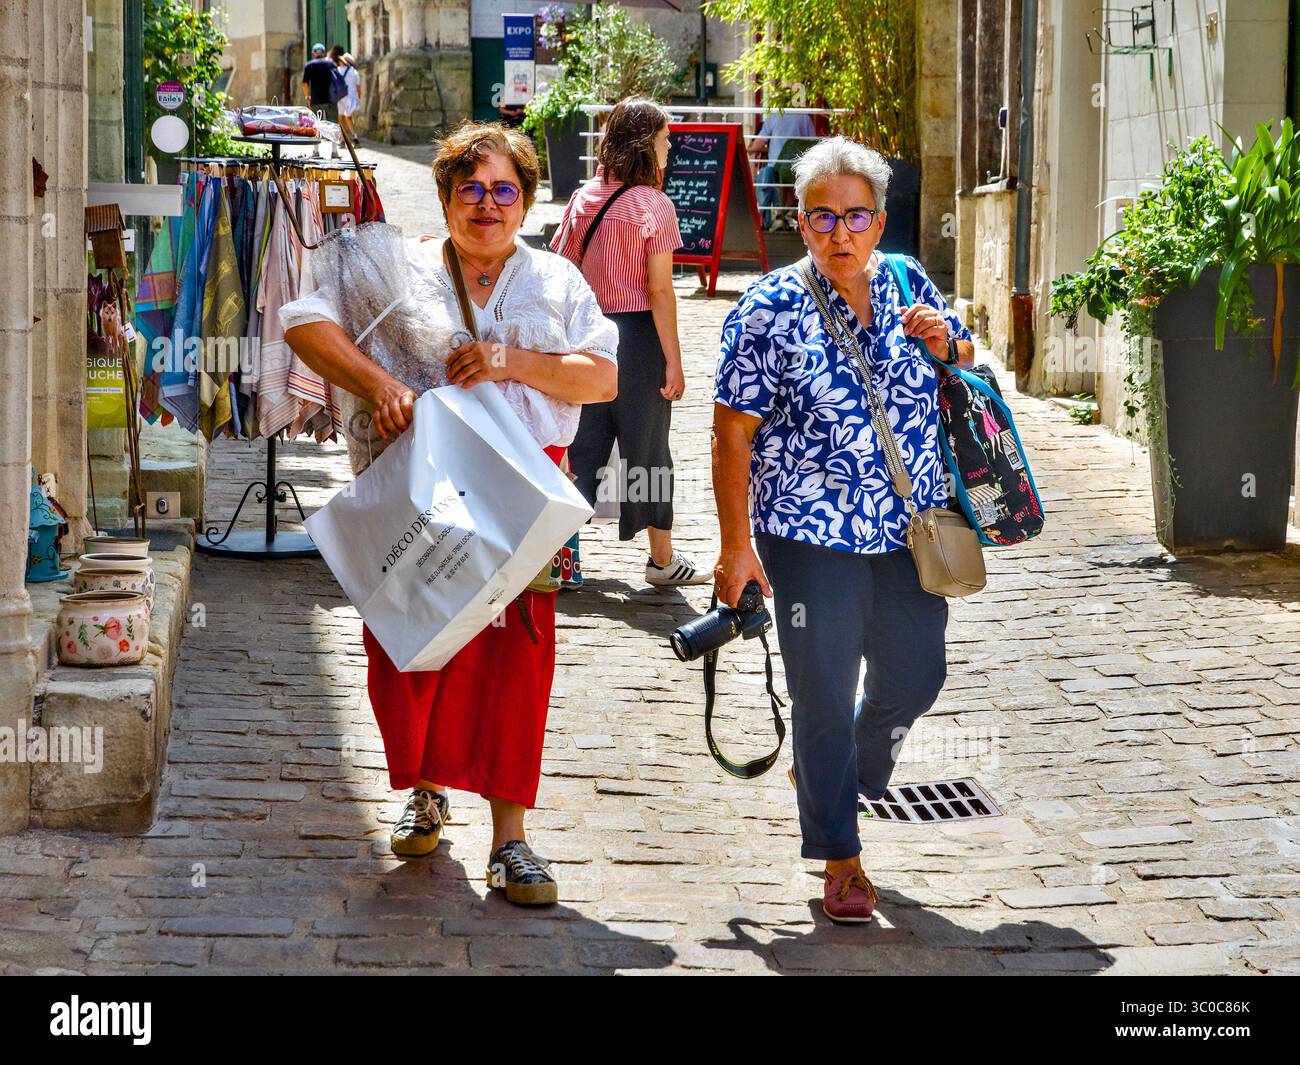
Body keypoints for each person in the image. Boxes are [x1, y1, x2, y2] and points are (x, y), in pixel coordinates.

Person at [281, 122, 618, 906]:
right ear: (444, 196)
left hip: (521, 498)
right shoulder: (395, 272)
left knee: (514, 665)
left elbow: (600, 378)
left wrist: (511, 360)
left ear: (528, 201)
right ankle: (426, 790)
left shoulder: (558, 283)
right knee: (412, 648)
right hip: (418, 497)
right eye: (470, 188)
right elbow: (302, 318)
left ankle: (511, 840)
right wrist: (379, 384)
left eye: (504, 190)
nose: (487, 204)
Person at [711, 136, 975, 924]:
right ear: (802, 221)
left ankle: (833, 773)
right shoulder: (769, 307)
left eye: (855, 215)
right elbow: (731, 435)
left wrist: (947, 344)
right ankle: (841, 855)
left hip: (908, 528)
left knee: (916, 673)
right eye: (822, 216)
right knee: (822, 690)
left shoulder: (906, 281)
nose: (839, 232)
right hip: (808, 531)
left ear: (880, 219)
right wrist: (736, 545)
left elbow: (964, 358)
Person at [552, 97, 709, 588]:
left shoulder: (584, 198)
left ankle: (559, 559)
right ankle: (661, 561)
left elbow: (561, 268)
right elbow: (661, 291)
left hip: (587, 334)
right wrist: (674, 362)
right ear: (645, 144)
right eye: (664, 139)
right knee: (648, 451)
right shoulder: (655, 207)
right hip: (639, 338)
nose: (670, 148)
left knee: (581, 445)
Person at [749, 109, 817, 230]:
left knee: (767, 174)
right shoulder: (805, 117)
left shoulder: (774, 116)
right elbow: (812, 144)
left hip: (777, 168)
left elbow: (757, 146)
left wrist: (747, 148)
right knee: (789, 179)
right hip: (799, 169)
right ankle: (786, 214)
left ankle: (771, 218)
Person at [301, 42, 338, 123]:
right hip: (331, 100)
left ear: (313, 54)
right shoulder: (331, 63)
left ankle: (319, 136)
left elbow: (304, 83)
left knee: (317, 124)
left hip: (316, 100)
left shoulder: (309, 65)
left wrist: (307, 97)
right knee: (333, 124)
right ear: (324, 53)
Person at [336, 51, 362, 142]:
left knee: (340, 118)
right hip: (352, 97)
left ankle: (342, 138)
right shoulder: (355, 72)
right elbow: (358, 89)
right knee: (348, 117)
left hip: (341, 96)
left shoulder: (338, 70)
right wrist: (358, 98)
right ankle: (354, 135)